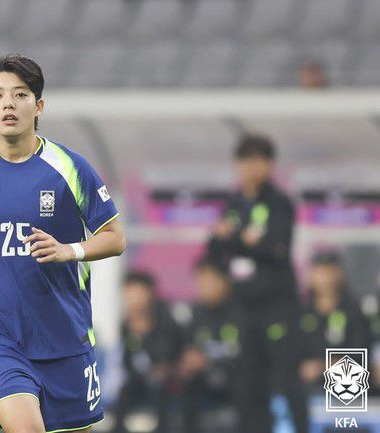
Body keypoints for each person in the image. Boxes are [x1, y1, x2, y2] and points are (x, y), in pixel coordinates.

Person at [0, 53, 126, 433]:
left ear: (38, 106)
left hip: (64, 337)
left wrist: (70, 250)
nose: (8, 104)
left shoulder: (70, 168)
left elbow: (115, 237)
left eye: (20, 95)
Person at [207, 133, 308, 433]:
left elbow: (276, 248)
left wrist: (235, 238)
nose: (251, 168)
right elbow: (214, 247)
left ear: (270, 165)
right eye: (245, 161)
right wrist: (242, 239)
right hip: (243, 308)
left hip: (277, 307)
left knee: (286, 378)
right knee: (248, 382)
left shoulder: (279, 202)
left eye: (259, 160)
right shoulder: (234, 203)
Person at [178, 256, 241, 433]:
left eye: (208, 281)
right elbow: (187, 349)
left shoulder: (242, 313)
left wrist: (210, 361)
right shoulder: (196, 314)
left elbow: (250, 358)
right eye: (199, 281)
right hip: (204, 389)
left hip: (237, 389)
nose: (202, 286)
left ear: (224, 281)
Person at [112, 271, 182, 433]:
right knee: (125, 393)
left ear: (149, 293)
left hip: (169, 383)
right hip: (140, 382)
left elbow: (167, 360)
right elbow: (128, 361)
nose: (131, 299)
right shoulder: (126, 325)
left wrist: (144, 334)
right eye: (128, 293)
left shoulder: (166, 321)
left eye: (137, 293)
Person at [299, 250, 370, 390]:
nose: (325, 278)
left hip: (346, 392)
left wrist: (323, 367)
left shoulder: (354, 312)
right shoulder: (301, 313)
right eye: (320, 272)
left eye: (330, 271)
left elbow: (361, 358)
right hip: (306, 392)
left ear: (339, 274)